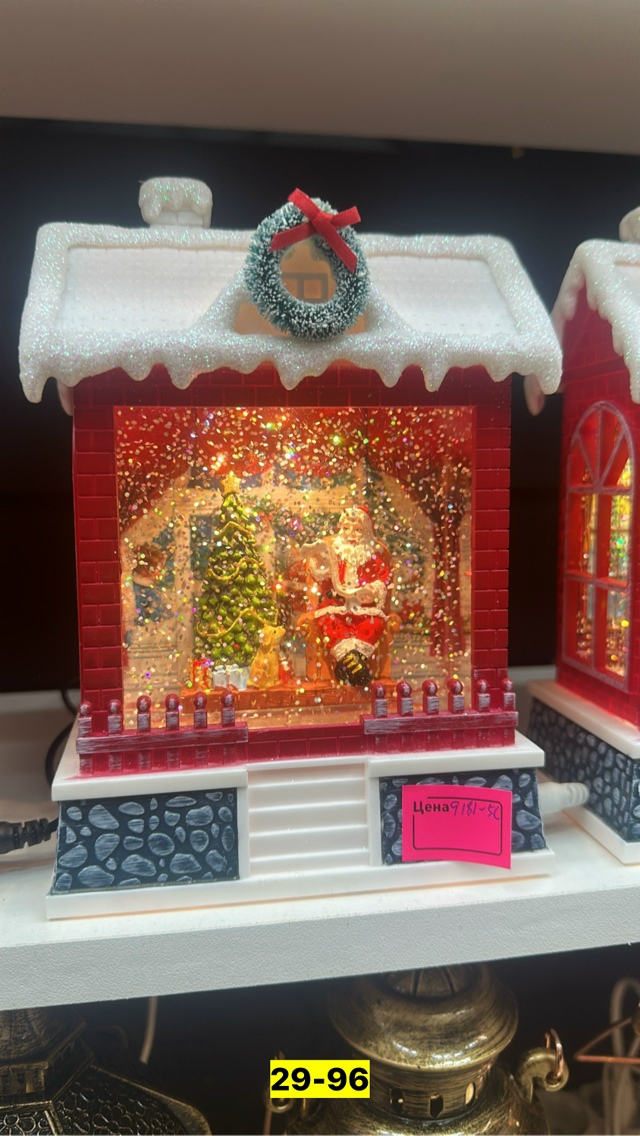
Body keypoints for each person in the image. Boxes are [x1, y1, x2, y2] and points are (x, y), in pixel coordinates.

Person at [298, 506, 392, 686]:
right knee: (329, 621)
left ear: (366, 532)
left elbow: (383, 578)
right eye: (347, 528)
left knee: (375, 623)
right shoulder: (334, 552)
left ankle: (347, 663)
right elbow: (321, 575)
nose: (351, 534)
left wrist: (372, 589)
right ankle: (354, 664)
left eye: (358, 530)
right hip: (337, 604)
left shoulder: (372, 555)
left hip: (364, 607)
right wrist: (318, 560)